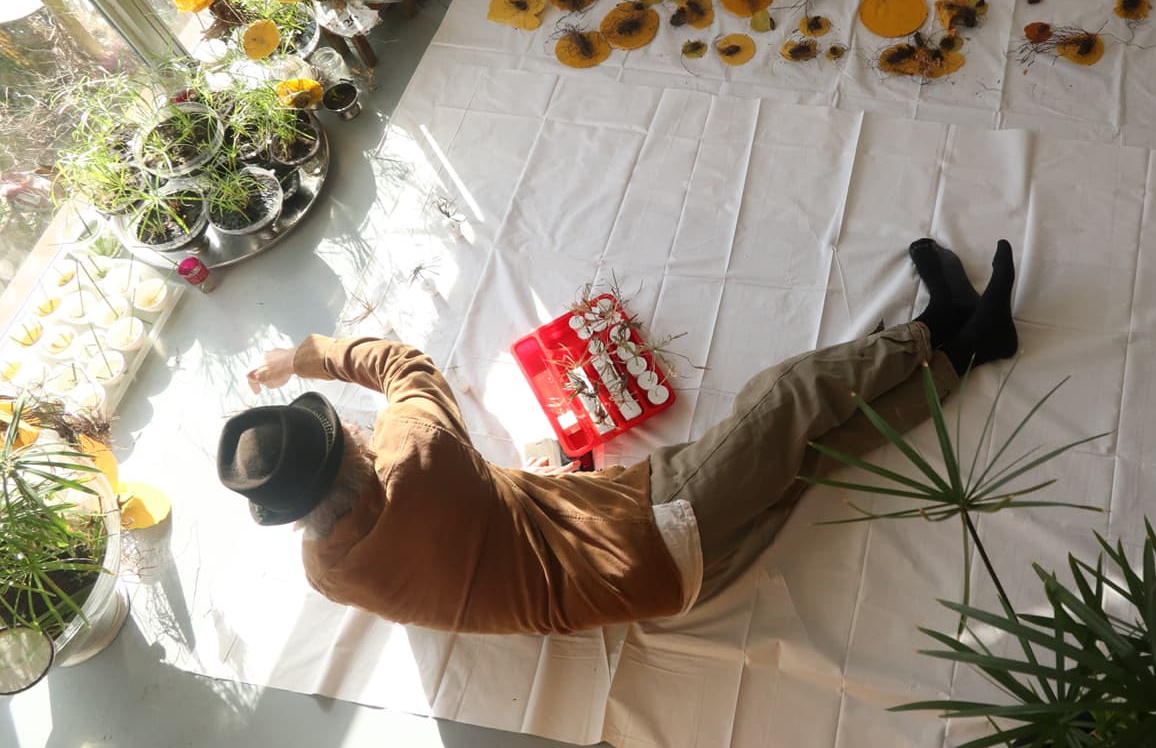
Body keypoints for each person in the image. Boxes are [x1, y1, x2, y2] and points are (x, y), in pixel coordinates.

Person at [216, 239, 1018, 634]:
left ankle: (966, 353)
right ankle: (931, 328)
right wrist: (304, 357)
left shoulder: (326, 574)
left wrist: (540, 487)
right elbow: (401, 365)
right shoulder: (414, 453)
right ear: (350, 447)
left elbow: (466, 549)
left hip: (669, 590)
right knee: (785, 405)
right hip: (654, 530)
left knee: (810, 456)